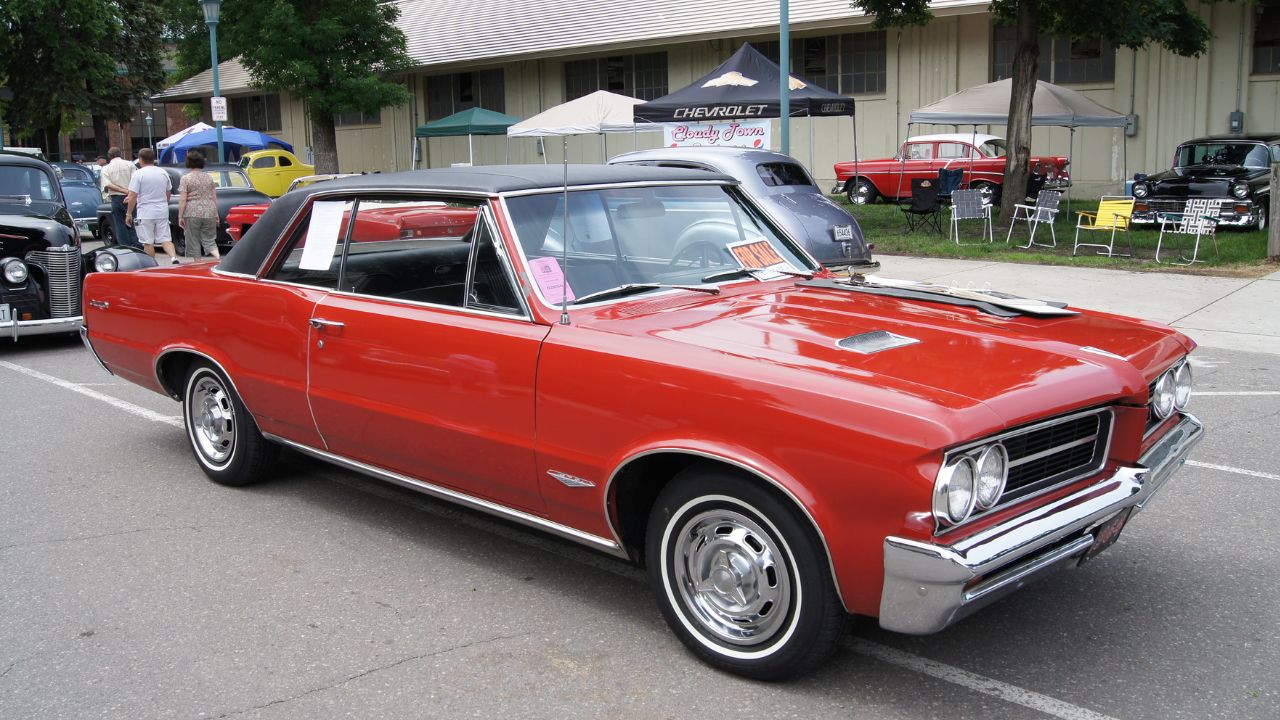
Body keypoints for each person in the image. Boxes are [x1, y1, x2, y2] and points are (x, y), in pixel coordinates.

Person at [125, 148, 180, 264]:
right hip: (162, 210)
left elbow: (133, 195)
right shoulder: (163, 172)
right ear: (153, 159)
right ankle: (174, 257)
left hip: (145, 212)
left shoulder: (138, 174)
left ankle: (152, 264)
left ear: (140, 159)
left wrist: (129, 213)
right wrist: (164, 203)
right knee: (166, 239)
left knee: (147, 242)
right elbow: (168, 192)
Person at [177, 150, 220, 260]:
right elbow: (214, 196)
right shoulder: (209, 177)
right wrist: (216, 213)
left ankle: (197, 264)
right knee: (210, 240)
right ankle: (218, 258)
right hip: (210, 210)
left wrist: (180, 216)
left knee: (193, 240)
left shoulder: (185, 178)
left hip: (192, 211)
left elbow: (183, 199)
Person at [100, 147, 140, 248]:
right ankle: (136, 244)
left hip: (116, 198)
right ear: (120, 154)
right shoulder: (130, 164)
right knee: (133, 219)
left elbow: (108, 184)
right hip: (131, 196)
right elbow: (135, 180)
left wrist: (123, 190)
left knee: (120, 224)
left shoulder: (106, 168)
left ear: (109, 156)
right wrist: (129, 191)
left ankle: (124, 246)